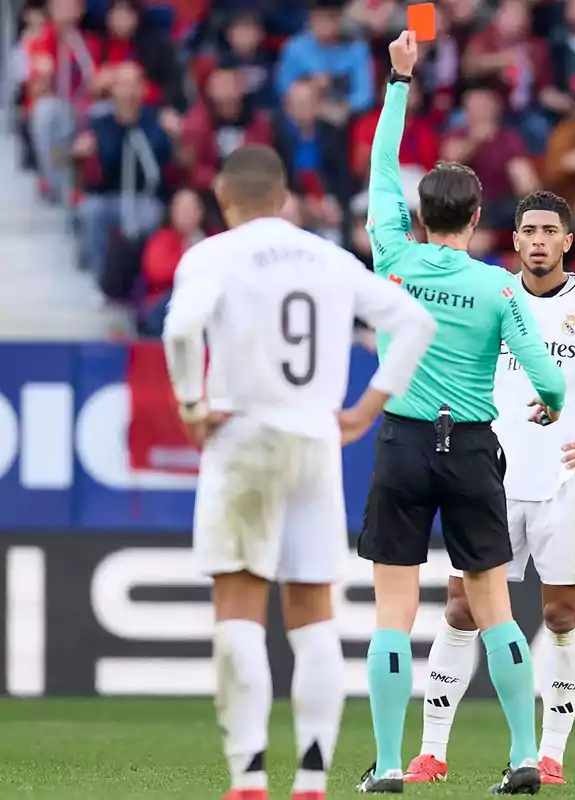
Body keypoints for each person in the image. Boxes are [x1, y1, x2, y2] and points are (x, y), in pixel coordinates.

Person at [160, 144, 437, 800]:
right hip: (316, 436)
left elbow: (179, 332)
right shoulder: (327, 257)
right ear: (284, 199)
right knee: (313, 611)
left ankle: (249, 774)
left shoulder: (212, 255)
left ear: (223, 202)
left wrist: (192, 407)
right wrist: (367, 408)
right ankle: (312, 776)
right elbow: (413, 321)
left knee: (239, 603)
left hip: (244, 434)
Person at [403, 190, 575, 787]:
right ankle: (432, 752)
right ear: (515, 239)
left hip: (564, 485)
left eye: (547, 231)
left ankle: (549, 754)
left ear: (567, 241)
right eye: (527, 229)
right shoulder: (494, 294)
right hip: (489, 480)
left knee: (561, 616)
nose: (535, 240)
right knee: (460, 609)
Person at [355, 33, 568, 796]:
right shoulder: (499, 287)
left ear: (418, 213)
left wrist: (398, 82)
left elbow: (382, 169)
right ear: (478, 216)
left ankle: (386, 765)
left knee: (392, 612)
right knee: (494, 608)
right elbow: (544, 375)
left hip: (403, 442)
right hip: (473, 448)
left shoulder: (393, 256)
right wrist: (552, 404)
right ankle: (520, 755)